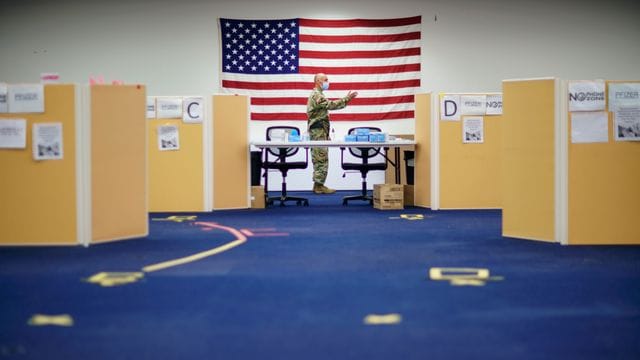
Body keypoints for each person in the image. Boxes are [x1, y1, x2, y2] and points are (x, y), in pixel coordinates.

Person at [306, 73, 358, 194]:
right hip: (318, 131)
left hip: (321, 131)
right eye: (325, 80)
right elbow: (331, 105)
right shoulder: (316, 95)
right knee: (321, 158)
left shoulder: (318, 94)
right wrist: (347, 99)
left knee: (320, 157)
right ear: (318, 81)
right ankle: (319, 186)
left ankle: (318, 185)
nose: (327, 82)